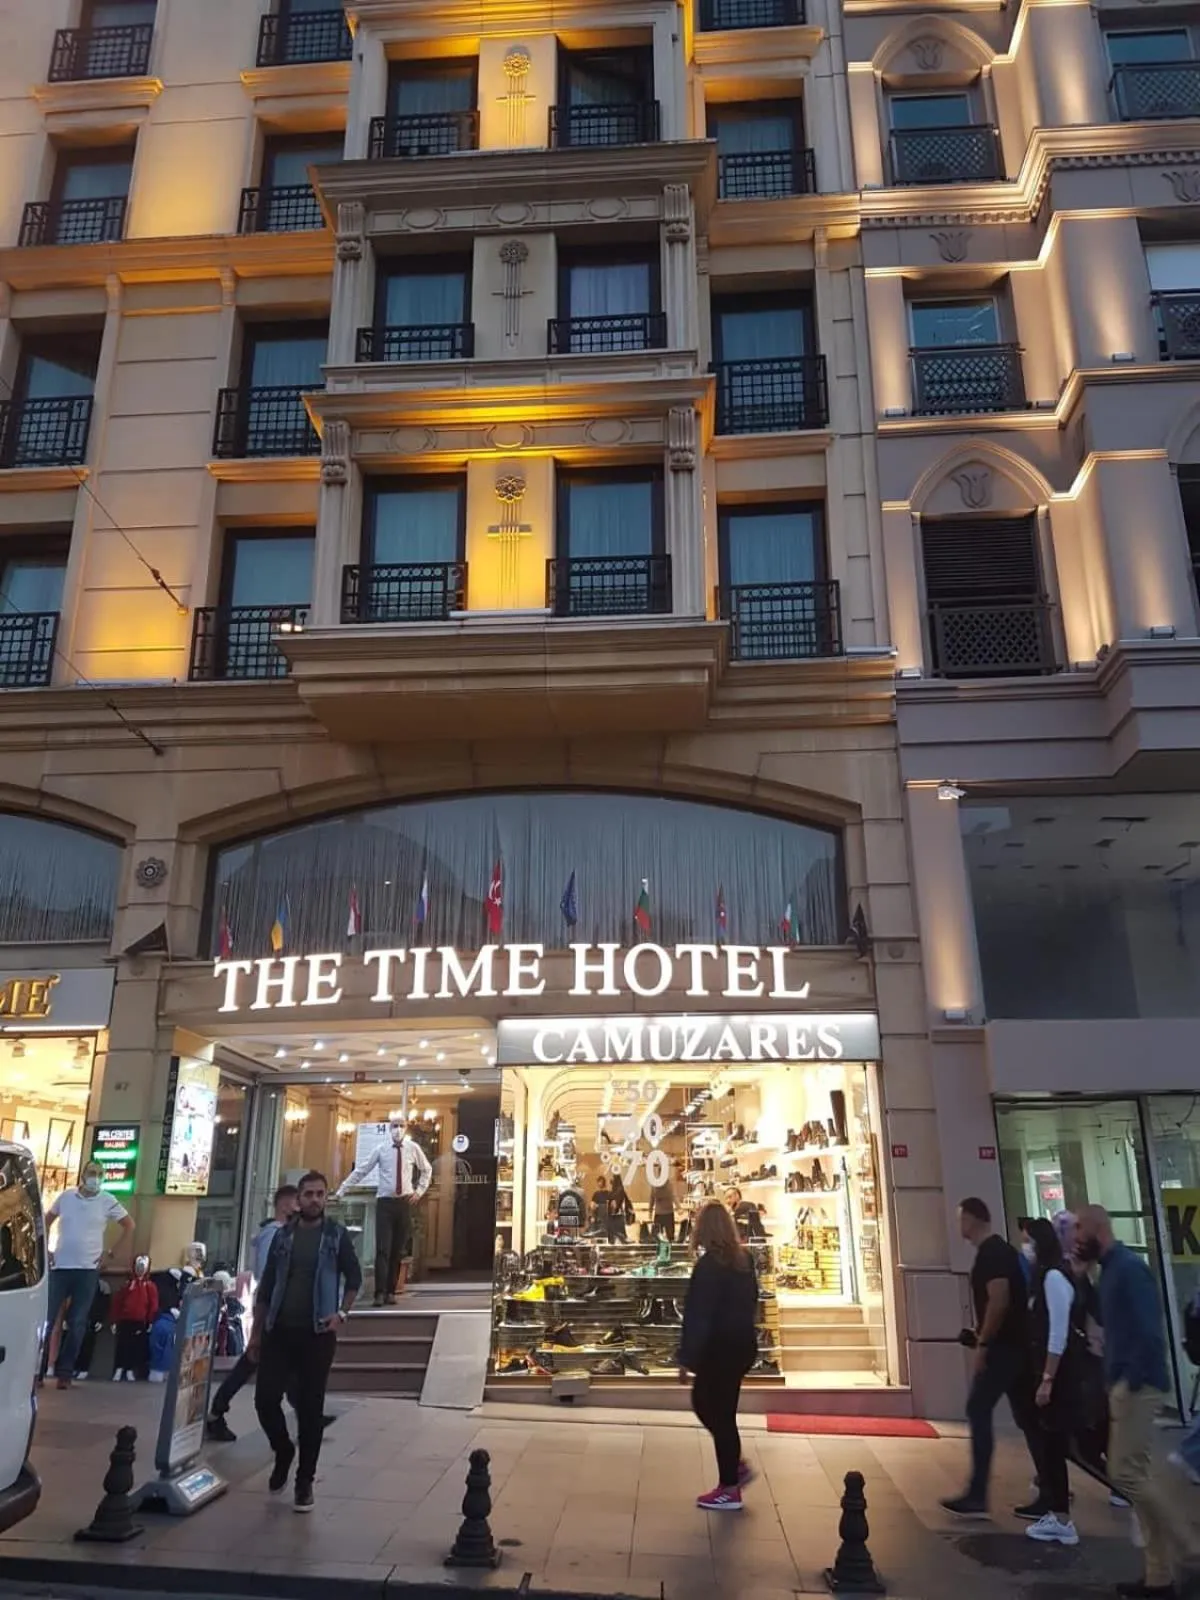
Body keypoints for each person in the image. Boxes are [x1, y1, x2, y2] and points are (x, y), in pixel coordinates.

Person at [1077, 1204, 1200, 1599]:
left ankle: (1191, 1545)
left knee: (1124, 1472)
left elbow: (1149, 1332)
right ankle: (1158, 1576)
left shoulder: (1129, 1269)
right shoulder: (1109, 1271)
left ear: (1098, 1228)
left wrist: (1127, 1382)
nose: (1076, 1237)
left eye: (1080, 1229)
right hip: (1127, 1385)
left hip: (1138, 1387)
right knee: (1138, 1475)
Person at [250, 1170, 362, 1513]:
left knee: (310, 1409)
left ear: (326, 1198)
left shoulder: (336, 1236)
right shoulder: (284, 1237)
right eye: (308, 1194)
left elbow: (354, 1278)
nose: (314, 1199)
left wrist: (340, 1314)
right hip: (279, 1330)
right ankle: (283, 1450)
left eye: (320, 1193)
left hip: (316, 1334)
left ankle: (304, 1481)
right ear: (298, 1200)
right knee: (265, 1399)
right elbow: (267, 1286)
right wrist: (257, 1332)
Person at [940, 1196, 1039, 1517]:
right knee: (1028, 1418)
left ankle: (978, 1494)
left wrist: (984, 1344)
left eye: (960, 1219)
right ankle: (1052, 1486)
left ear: (970, 1219)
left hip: (1004, 1349)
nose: (959, 1226)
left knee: (978, 1407)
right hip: (1016, 1346)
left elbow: (999, 1300)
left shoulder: (992, 1254)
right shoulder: (1000, 1252)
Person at [208, 1185, 317, 1442]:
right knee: (267, 1363)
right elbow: (273, 1274)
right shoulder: (274, 1235)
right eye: (297, 1203)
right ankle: (216, 1412)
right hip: (273, 1311)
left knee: (262, 1363)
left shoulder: (281, 1233)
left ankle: (306, 1414)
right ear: (285, 1206)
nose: (301, 1208)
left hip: (280, 1310)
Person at [679, 1199, 759, 1513]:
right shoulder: (744, 1261)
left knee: (716, 1411)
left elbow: (699, 1315)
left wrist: (687, 1358)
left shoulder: (709, 1267)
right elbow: (752, 1301)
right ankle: (733, 1469)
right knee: (719, 1409)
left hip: (720, 1349)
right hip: (740, 1346)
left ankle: (730, 1486)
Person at [40, 1162, 133, 1390]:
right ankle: (38, 1371)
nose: (96, 1178)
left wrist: (110, 1253)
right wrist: (46, 1250)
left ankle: (65, 1372)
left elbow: (129, 1225)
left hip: (88, 1270)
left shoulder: (107, 1200)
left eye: (100, 1174)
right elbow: (47, 1220)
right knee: (47, 1321)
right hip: (60, 1267)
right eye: (92, 1173)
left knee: (77, 1322)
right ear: (83, 1174)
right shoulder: (66, 1197)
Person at [1015, 1217, 1080, 1545]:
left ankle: (1062, 1517)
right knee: (1054, 1444)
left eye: (1028, 1241)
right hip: (1050, 1374)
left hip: (1058, 1377)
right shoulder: (1044, 1277)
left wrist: (1048, 1379)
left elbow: (1058, 1331)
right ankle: (1057, 1511)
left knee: (1057, 1445)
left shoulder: (1053, 1277)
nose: (1025, 1248)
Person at [334, 1121, 431, 1304]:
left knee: (398, 1249)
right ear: (389, 1129)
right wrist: (343, 1189)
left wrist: (419, 1191)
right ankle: (379, 1292)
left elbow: (426, 1169)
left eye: (401, 1126)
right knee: (382, 1248)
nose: (398, 1129)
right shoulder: (381, 1149)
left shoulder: (412, 1148)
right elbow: (362, 1169)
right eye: (395, 1126)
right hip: (385, 1202)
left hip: (404, 1202)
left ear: (406, 1128)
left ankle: (391, 1291)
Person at [112, 1255, 158, 1381]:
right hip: (125, 1319)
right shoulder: (128, 1285)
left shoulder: (149, 1286)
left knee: (135, 1346)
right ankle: (119, 1368)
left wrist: (150, 1321)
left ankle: (129, 1369)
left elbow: (153, 1304)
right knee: (122, 1345)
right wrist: (115, 1320)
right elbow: (118, 1302)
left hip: (139, 1320)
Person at [649, 1168, 677, 1242]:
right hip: (668, 1212)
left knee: (657, 1237)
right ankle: (669, 1251)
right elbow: (673, 1196)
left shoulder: (655, 1184)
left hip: (659, 1213)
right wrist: (678, 1207)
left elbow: (652, 1198)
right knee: (670, 1237)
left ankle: (659, 1252)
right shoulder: (669, 1184)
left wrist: (650, 1211)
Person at [605, 1174, 634, 1243]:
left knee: (615, 1229)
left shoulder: (617, 1190)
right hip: (618, 1214)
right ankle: (621, 1237)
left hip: (615, 1215)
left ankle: (617, 1237)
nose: (611, 1181)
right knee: (619, 1229)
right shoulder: (620, 1189)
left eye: (612, 1179)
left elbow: (615, 1203)